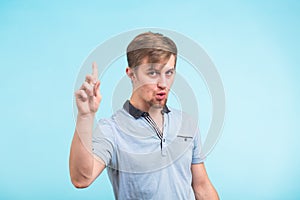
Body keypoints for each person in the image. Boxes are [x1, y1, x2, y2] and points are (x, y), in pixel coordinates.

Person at [69, 32, 219, 199]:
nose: (163, 84)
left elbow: (201, 186)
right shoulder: (111, 130)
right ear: (131, 74)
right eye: (153, 73)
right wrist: (85, 116)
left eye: (169, 73)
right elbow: (81, 179)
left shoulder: (186, 123)